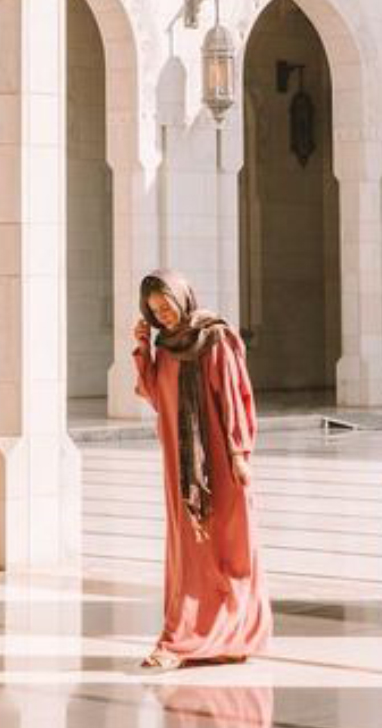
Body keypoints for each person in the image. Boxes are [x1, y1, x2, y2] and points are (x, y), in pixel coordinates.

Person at [131, 269, 272, 670]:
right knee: (191, 550)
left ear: (182, 297)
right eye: (155, 311)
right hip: (182, 467)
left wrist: (240, 453)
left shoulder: (215, 337)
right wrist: (142, 347)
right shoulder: (164, 345)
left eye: (167, 306)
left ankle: (233, 635)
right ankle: (182, 637)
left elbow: (234, 396)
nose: (164, 315)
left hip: (221, 463)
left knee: (229, 549)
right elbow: (156, 396)